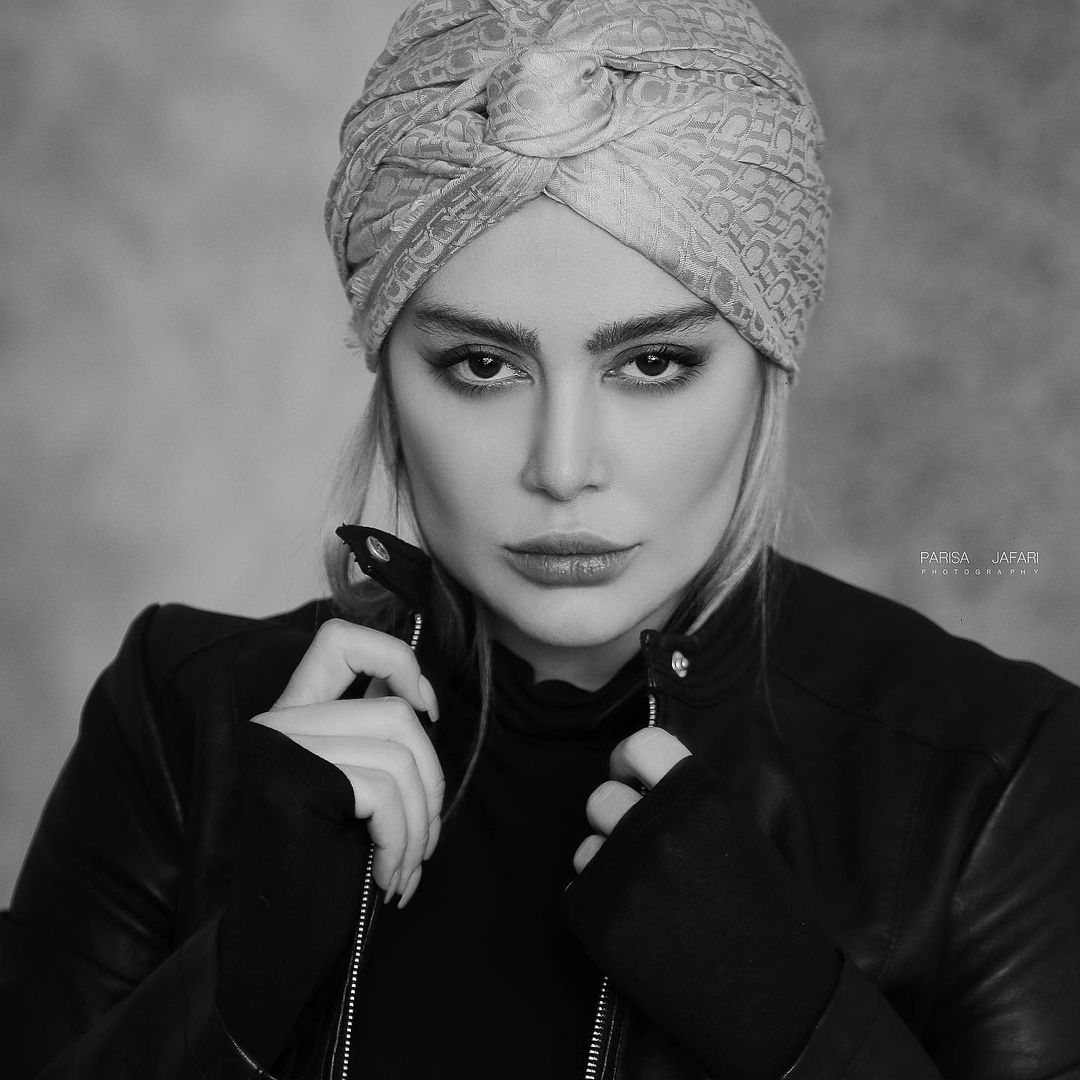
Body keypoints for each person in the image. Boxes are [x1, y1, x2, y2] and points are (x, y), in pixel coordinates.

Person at [3, 0, 1079, 1077]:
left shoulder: (991, 778)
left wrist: (795, 1016)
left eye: (652, 363)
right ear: (387, 369)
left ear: (768, 361)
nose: (562, 467)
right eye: (483, 365)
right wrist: (245, 964)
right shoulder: (182, 717)